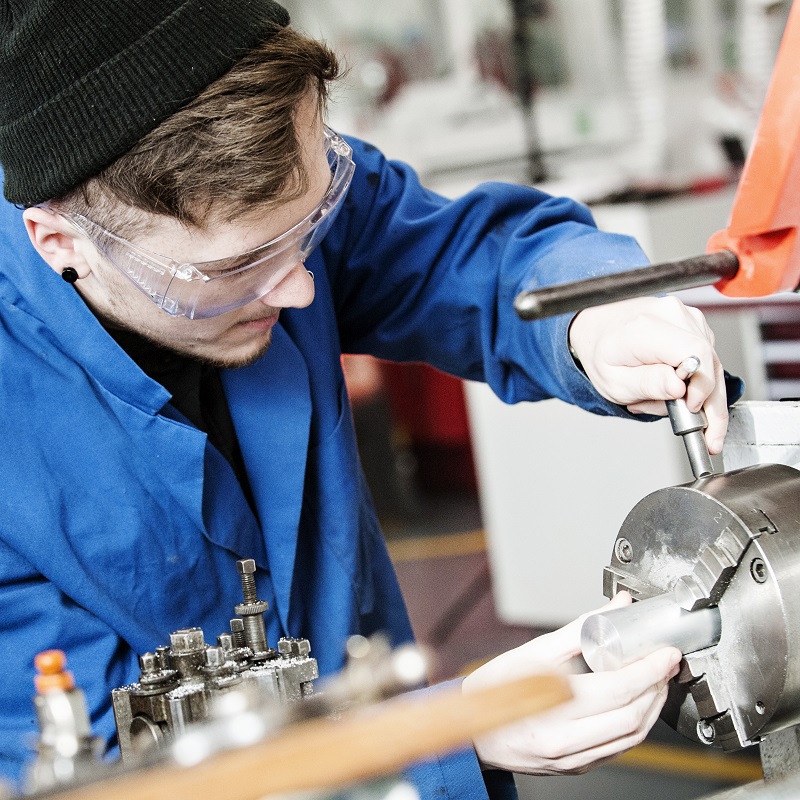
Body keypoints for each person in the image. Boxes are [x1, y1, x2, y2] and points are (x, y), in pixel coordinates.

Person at [0, 1, 738, 796]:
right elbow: (109, 778)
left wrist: (590, 314)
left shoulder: (269, 203)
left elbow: (462, 256)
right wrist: (450, 738)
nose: (303, 286)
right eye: (237, 268)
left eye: (312, 223)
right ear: (62, 242)